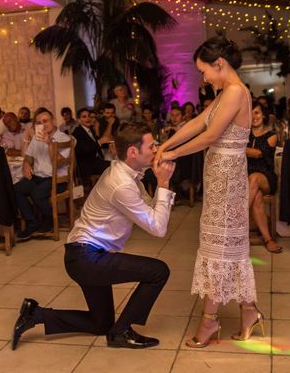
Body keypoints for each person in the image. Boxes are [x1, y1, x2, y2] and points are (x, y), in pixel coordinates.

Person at [11, 122, 176, 350]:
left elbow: (150, 207)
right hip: (87, 258)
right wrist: (165, 183)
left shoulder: (127, 174)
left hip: (83, 254)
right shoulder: (121, 184)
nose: (157, 150)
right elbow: (158, 228)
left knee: (101, 323)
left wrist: (160, 185)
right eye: (152, 146)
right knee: (158, 271)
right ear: (133, 152)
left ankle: (35, 313)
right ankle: (122, 332)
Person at [155, 36, 263, 347]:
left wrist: (174, 155)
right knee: (225, 246)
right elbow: (197, 123)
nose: (203, 78)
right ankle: (248, 312)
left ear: (220, 65)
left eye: (204, 71)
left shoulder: (235, 92)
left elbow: (210, 135)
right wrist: (167, 144)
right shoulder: (224, 93)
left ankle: (210, 322)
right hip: (219, 176)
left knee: (220, 248)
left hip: (228, 178)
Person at [15, 109, 71, 241]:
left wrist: (49, 142)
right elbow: (28, 156)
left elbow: (58, 162)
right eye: (39, 122)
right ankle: (33, 222)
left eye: (45, 121)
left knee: (37, 193)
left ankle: (49, 221)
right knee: (16, 189)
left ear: (53, 121)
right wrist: (26, 164)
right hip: (38, 177)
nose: (43, 124)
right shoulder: (37, 137)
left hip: (57, 180)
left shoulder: (65, 138)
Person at [246, 103, 280, 253]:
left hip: (266, 178)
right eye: (251, 113)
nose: (254, 116)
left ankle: (237, 219)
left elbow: (258, 153)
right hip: (248, 181)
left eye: (257, 113)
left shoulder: (271, 135)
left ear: (264, 115)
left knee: (254, 178)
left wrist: (237, 147)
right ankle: (268, 239)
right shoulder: (243, 135)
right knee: (257, 196)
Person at [73, 107, 111, 180]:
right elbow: (84, 150)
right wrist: (99, 142)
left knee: (114, 164)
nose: (88, 118)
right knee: (112, 167)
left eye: (89, 116)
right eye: (84, 117)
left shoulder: (91, 130)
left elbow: (97, 146)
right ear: (79, 121)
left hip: (96, 161)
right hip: (86, 165)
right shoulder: (77, 132)